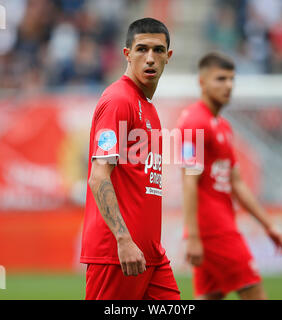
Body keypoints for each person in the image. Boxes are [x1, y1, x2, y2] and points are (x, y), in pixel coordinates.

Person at [80, 18, 180, 300]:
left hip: (151, 257)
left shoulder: (148, 108)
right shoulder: (118, 100)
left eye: (158, 50)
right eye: (142, 49)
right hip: (118, 255)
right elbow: (98, 176)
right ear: (127, 54)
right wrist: (123, 240)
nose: (150, 58)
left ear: (168, 57)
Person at [177, 52, 282, 300]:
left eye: (231, 79)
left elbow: (237, 183)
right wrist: (193, 236)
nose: (228, 86)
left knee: (210, 296)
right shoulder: (195, 121)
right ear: (202, 82)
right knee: (255, 293)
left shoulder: (223, 126)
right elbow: (189, 180)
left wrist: (268, 225)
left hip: (218, 224)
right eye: (220, 79)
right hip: (213, 229)